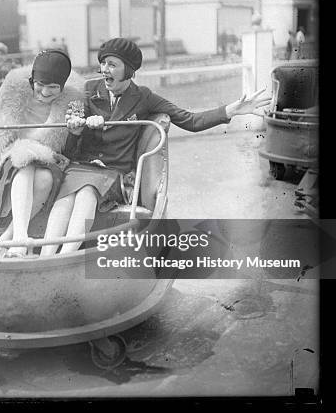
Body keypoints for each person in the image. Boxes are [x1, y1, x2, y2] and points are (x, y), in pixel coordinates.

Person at [38, 38, 271, 256]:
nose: (104, 70)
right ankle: (46, 257)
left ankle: (65, 258)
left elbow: (189, 120)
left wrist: (230, 111)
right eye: (102, 64)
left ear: (128, 70)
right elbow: (71, 141)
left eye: (112, 64)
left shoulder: (144, 97)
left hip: (113, 174)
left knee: (86, 194)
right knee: (66, 199)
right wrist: (75, 131)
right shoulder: (88, 90)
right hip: (82, 168)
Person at [0, 50, 85, 258]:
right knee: (25, 159)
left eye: (53, 88)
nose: (44, 92)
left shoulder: (71, 104)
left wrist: (75, 133)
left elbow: (71, 150)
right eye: (40, 85)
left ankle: (8, 238)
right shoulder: (15, 90)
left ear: (62, 87)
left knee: (43, 178)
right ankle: (20, 239)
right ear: (32, 80)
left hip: (46, 162)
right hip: (14, 161)